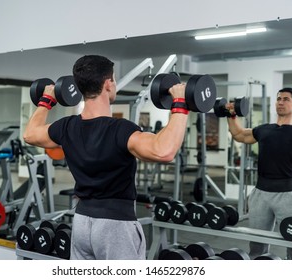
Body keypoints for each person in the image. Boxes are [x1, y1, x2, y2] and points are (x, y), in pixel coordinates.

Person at [23, 55, 189, 260]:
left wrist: (47, 100)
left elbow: (30, 134)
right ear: (108, 84)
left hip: (82, 222)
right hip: (115, 227)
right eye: (115, 80)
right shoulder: (120, 130)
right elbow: (164, 150)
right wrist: (180, 103)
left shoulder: (67, 127)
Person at [226, 87, 292, 260]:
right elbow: (239, 135)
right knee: (256, 244)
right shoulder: (264, 129)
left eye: (286, 99)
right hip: (260, 194)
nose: (280, 102)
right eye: (278, 99)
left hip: (288, 196)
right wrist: (231, 115)